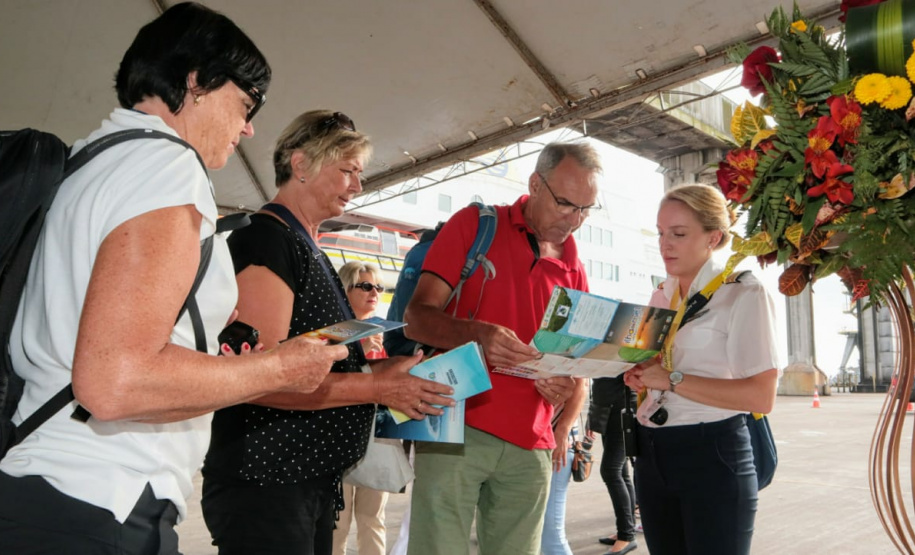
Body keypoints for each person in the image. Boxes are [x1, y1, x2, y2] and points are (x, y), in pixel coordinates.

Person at [0, 4, 351, 553]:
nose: (249, 125)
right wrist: (278, 367)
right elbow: (115, 381)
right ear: (198, 82)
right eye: (246, 101)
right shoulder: (167, 166)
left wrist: (202, 339)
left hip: (51, 489)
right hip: (100, 498)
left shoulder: (95, 160)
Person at [201, 110, 454, 555]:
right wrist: (377, 386)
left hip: (302, 482)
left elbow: (313, 353)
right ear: (301, 165)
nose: (357, 186)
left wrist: (382, 367)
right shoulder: (268, 239)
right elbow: (260, 377)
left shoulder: (305, 245)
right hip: (269, 483)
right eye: (347, 171)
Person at [403, 142, 602, 555]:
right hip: (454, 423)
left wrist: (564, 387)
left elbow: (573, 366)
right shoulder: (475, 225)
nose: (575, 220)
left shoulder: (576, 270)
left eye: (586, 209)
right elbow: (417, 318)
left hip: (532, 443)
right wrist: (478, 333)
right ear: (535, 184)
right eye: (566, 204)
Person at [623, 183, 779, 555]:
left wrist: (673, 380)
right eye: (661, 233)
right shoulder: (660, 295)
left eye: (678, 234)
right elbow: (655, 371)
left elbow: (760, 395)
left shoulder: (742, 293)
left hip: (712, 454)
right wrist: (641, 378)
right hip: (652, 453)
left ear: (715, 238)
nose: (665, 244)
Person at [332, 261, 391, 555]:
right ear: (346, 288)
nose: (374, 292)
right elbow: (325, 381)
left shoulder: (382, 332)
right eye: (365, 286)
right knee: (336, 523)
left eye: (378, 287)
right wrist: (362, 354)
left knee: (373, 519)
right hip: (337, 437)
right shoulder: (335, 331)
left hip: (375, 438)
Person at [588, 376, 639, 554]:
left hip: (623, 408)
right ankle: (625, 531)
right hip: (606, 408)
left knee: (611, 471)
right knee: (621, 472)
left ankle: (627, 536)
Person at [539, 383, 586, 555]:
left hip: (555, 445)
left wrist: (562, 431)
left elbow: (582, 387)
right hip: (535, 443)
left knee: (551, 534)